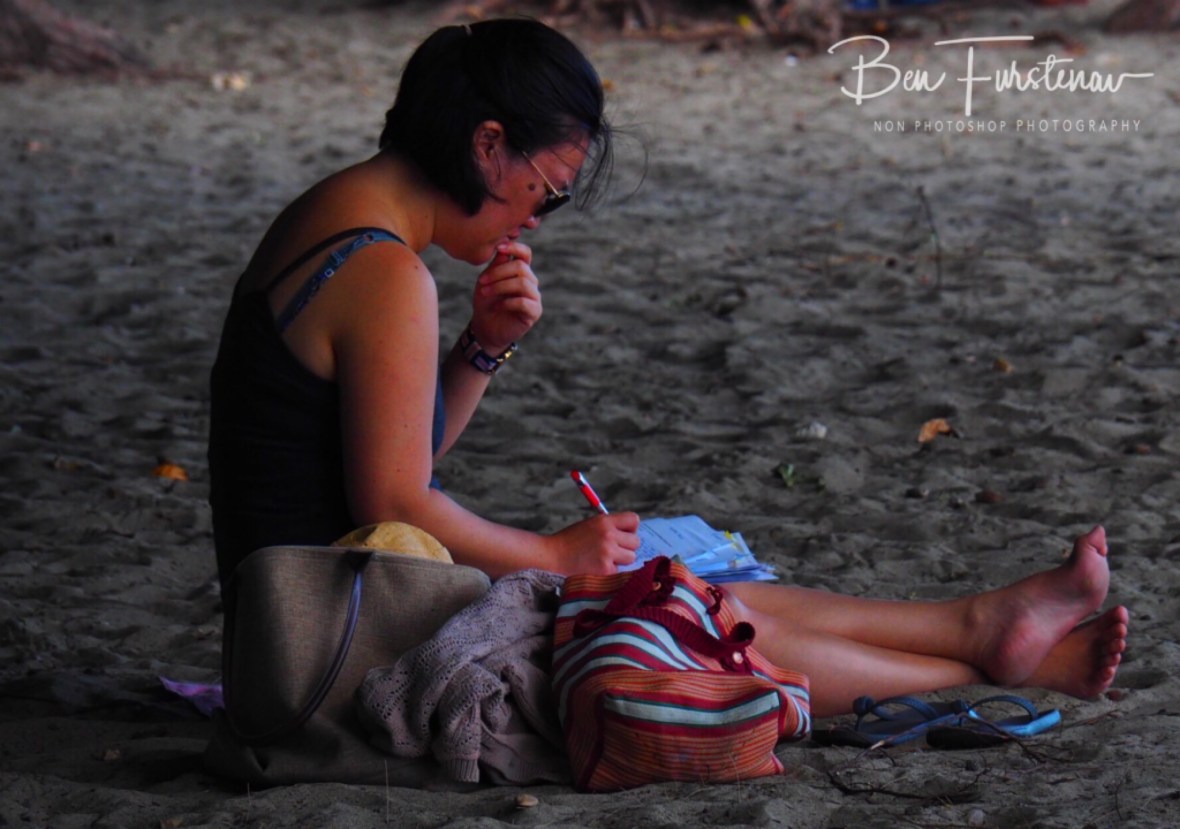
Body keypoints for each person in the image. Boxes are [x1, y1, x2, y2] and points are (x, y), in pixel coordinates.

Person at [207, 18, 1126, 719]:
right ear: (488, 145)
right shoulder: (387, 274)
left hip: (294, 623)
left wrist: (482, 349)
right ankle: (982, 652)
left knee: (685, 592)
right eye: (545, 194)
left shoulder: (328, 215)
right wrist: (553, 556)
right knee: (666, 616)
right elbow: (397, 503)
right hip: (331, 650)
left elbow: (374, 451)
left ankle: (983, 637)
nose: (533, 220)